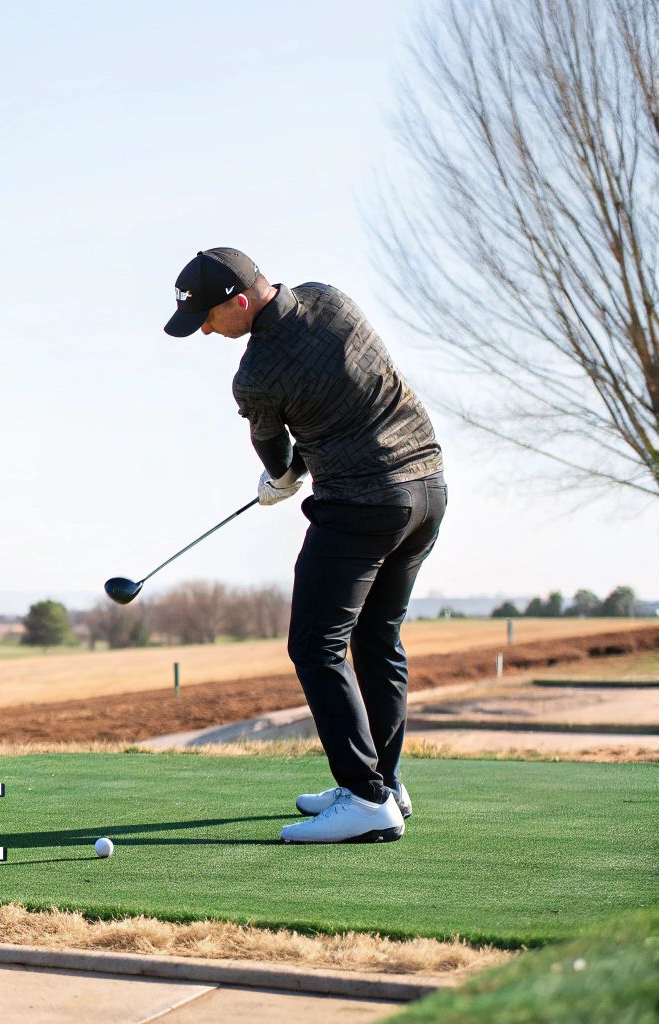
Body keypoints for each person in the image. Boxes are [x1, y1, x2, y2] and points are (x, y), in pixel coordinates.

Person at [164, 248, 446, 844]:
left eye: (210, 319)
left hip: (362, 506)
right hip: (426, 491)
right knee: (377, 639)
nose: (208, 330)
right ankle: (383, 782)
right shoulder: (330, 297)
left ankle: (367, 800)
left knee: (316, 647)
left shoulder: (257, 372)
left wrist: (280, 481)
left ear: (240, 303)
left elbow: (279, 459)